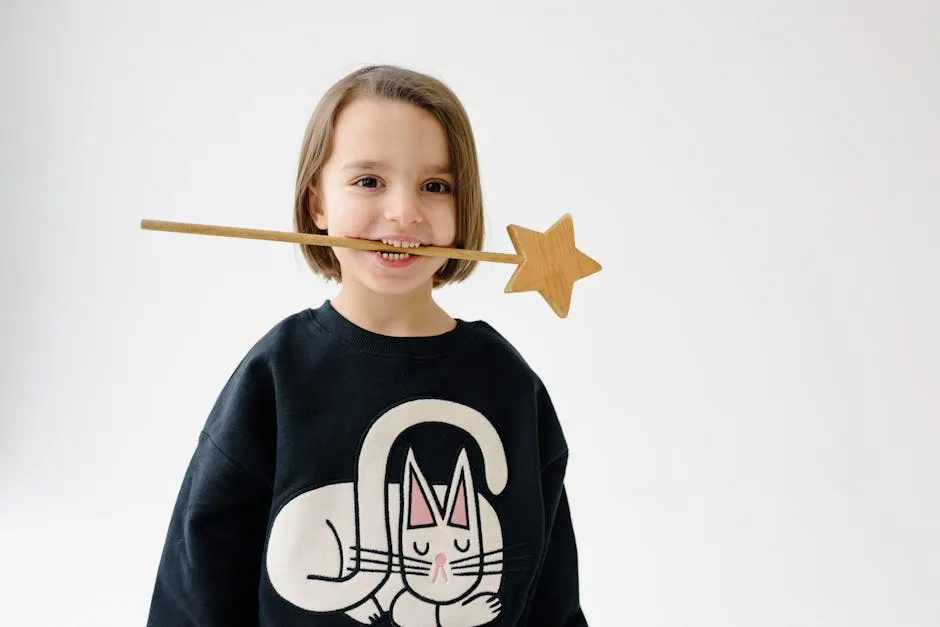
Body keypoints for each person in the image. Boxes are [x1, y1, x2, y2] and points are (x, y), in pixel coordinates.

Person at [146, 64, 588, 627]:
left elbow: (551, 594)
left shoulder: (507, 383)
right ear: (317, 205)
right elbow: (198, 581)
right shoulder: (278, 375)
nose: (404, 212)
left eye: (435, 186)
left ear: (464, 207)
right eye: (369, 181)